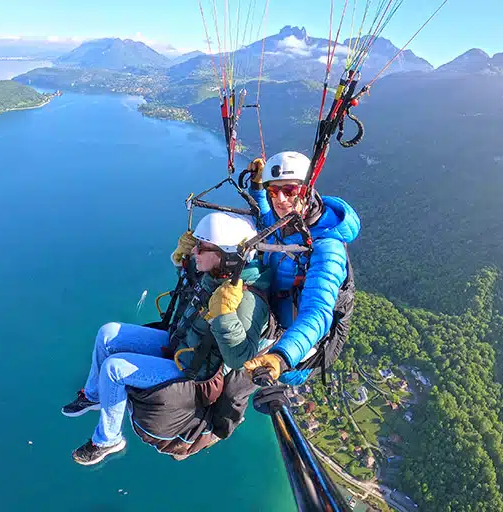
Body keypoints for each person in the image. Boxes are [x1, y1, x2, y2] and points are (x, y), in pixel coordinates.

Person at [61, 212, 271, 465]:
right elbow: (193, 283)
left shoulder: (247, 299)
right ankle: (95, 396)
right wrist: (179, 261)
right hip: (180, 345)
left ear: (226, 255)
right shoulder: (218, 274)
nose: (195, 252)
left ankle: (108, 439)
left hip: (194, 371)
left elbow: (240, 358)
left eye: (201, 247)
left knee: (114, 369)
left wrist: (224, 316)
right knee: (108, 334)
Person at [241, 151, 360, 386]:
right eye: (274, 191)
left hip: (297, 348)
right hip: (275, 315)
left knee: (229, 366)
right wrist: (256, 187)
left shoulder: (327, 248)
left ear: (306, 191)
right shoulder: (286, 221)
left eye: (290, 191)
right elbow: (265, 218)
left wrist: (281, 357)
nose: (280, 199)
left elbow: (317, 311)